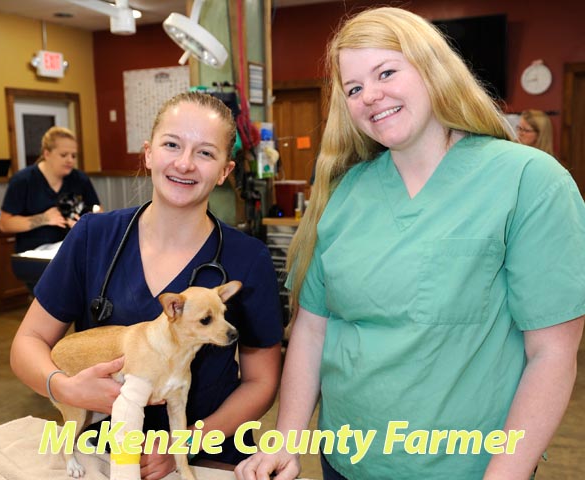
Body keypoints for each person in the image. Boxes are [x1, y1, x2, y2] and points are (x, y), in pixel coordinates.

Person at [235, 7, 585, 480]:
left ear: (432, 69)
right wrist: (289, 443)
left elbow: (552, 353)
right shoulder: (346, 194)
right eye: (354, 88)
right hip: (345, 461)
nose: (371, 96)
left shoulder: (528, 181)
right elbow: (314, 329)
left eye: (386, 72)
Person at [10, 92, 283, 479]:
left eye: (205, 153)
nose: (184, 163)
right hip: (104, 454)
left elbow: (262, 381)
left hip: (207, 454)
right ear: (149, 153)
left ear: (225, 171)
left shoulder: (247, 259)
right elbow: (28, 343)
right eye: (171, 145)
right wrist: (64, 388)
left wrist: (184, 444)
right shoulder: (94, 236)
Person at [0, 126, 102, 254]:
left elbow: (98, 212)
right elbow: (5, 224)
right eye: (63, 155)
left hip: (73, 249)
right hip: (35, 253)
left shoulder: (80, 179)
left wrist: (85, 224)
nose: (70, 160)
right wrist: (44, 218)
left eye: (74, 156)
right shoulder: (23, 181)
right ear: (46, 154)